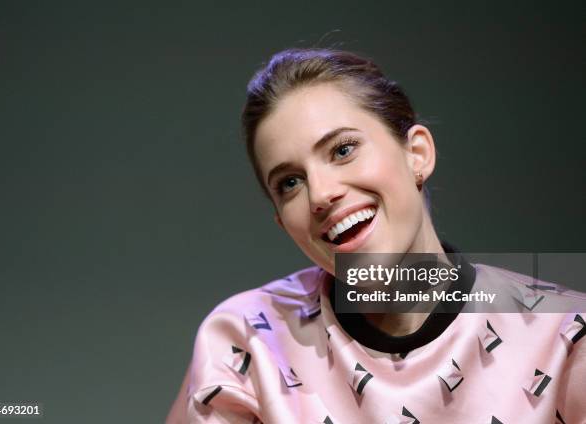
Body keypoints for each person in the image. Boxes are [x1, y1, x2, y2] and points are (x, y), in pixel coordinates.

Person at [166, 48, 586, 423]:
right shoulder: (248, 340)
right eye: (290, 182)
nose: (321, 193)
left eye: (342, 150)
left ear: (417, 153)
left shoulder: (564, 333)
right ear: (281, 221)